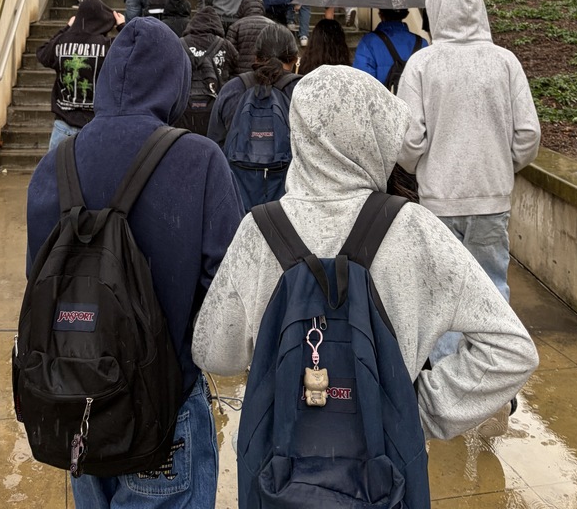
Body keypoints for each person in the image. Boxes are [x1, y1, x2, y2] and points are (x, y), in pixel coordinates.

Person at [193, 64, 539, 444]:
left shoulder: (258, 232)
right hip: (384, 465)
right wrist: (418, 412)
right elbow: (512, 350)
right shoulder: (414, 230)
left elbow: (214, 353)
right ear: (374, 136)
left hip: (281, 461)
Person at [26, 17, 244, 509]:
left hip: (74, 402)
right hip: (164, 405)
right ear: (176, 82)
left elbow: (36, 281)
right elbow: (230, 286)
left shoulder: (54, 164)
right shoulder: (199, 159)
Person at [396, 0, 541, 405]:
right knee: (492, 288)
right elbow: (528, 134)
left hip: (439, 201)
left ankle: (448, 384)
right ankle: (495, 384)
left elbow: (408, 140)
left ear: (435, 14)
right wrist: (503, 166)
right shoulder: (505, 62)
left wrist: (422, 167)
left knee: (442, 294)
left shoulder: (422, 64)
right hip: (492, 199)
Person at [207, 24, 300, 211]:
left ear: (256, 57)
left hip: (238, 205)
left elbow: (213, 147)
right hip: (290, 210)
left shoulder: (232, 90)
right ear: (295, 59)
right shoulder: (303, 91)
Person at [36, 0, 124, 150]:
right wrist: (122, 27)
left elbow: (43, 54)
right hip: (95, 127)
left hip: (63, 127)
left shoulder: (62, 42)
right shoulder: (108, 47)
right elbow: (138, 55)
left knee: (55, 173)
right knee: (94, 174)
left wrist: (66, 29)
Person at [178, 6, 238, 134]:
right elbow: (237, 68)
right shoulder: (224, 44)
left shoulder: (180, 44)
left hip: (185, 107)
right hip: (216, 104)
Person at [354, 8, 429, 88]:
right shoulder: (422, 43)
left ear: (381, 14)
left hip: (383, 99)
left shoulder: (368, 42)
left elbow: (362, 83)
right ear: (406, 14)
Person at [226, 0, 272, 74]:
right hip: (265, 74)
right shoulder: (272, 26)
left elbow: (229, 55)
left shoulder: (236, 26)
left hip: (241, 76)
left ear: (243, 7)